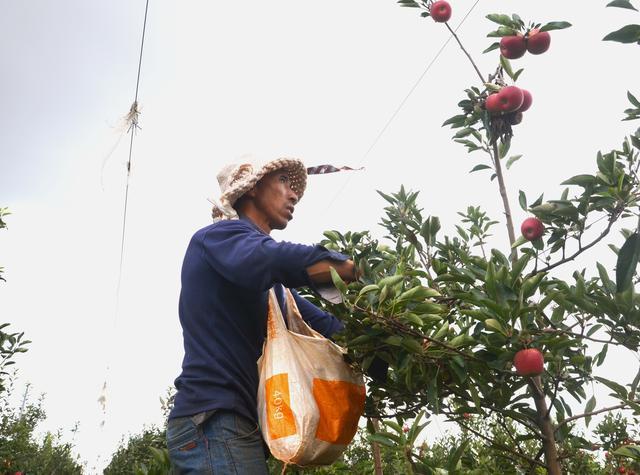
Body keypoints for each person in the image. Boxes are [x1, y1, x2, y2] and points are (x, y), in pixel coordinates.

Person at [166, 156, 358, 474]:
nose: (294, 194)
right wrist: (349, 269)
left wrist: (394, 347)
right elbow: (270, 258)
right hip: (214, 421)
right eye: (284, 181)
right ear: (253, 188)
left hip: (234, 426)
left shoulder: (275, 290)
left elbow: (327, 328)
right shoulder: (218, 240)